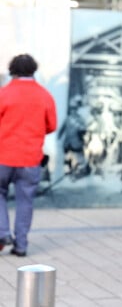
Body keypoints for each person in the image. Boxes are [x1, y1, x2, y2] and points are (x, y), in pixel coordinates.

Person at [0, 54, 57, 257]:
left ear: (12, 71)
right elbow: (52, 125)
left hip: (3, 156)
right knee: (26, 201)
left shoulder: (4, 94)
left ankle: (3, 232)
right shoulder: (44, 95)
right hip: (30, 158)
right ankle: (21, 245)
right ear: (34, 70)